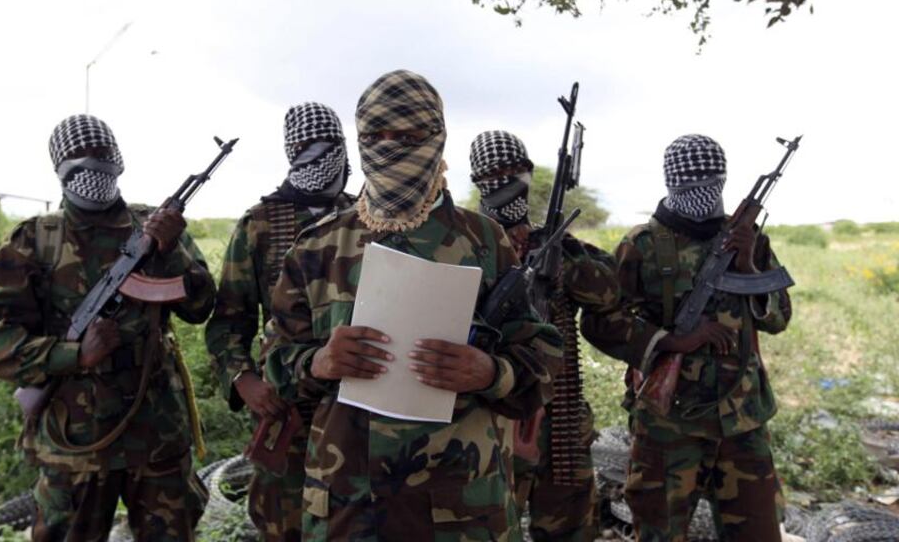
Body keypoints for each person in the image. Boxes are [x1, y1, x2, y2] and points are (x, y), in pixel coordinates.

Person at [265, 69, 559, 541]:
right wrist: (318, 361)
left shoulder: (484, 240)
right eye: (377, 135)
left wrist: (489, 372)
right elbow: (275, 360)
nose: (391, 147)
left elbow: (541, 355)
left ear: (436, 138)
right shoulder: (317, 247)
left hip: (461, 505)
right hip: (347, 502)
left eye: (408, 135)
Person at [0, 114, 216, 542]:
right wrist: (73, 355)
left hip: (156, 434)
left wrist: (170, 249)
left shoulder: (154, 227)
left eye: (101, 155)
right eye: (77, 160)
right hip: (75, 443)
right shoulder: (35, 240)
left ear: (118, 159)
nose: (92, 167)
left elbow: (200, 306)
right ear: (58, 169)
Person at [581, 134, 792, 542]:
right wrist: (671, 341)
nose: (704, 196)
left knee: (759, 532)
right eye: (692, 188)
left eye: (712, 185)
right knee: (659, 533)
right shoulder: (640, 245)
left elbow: (779, 319)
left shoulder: (747, 240)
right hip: (669, 424)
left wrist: (748, 266)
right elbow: (601, 322)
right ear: (671, 184)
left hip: (742, 419)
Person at [206, 101, 355, 541]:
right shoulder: (259, 226)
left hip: (356, 408)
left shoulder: (366, 217)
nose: (320, 159)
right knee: (284, 525)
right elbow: (228, 322)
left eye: (328, 148)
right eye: (308, 149)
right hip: (288, 410)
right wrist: (244, 380)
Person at [470, 130, 619, 542]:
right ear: (478, 180)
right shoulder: (462, 243)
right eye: (495, 173)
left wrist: (557, 262)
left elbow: (609, 290)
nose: (506, 180)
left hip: (561, 419)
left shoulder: (556, 245)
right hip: (488, 417)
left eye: (515, 171)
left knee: (571, 529)